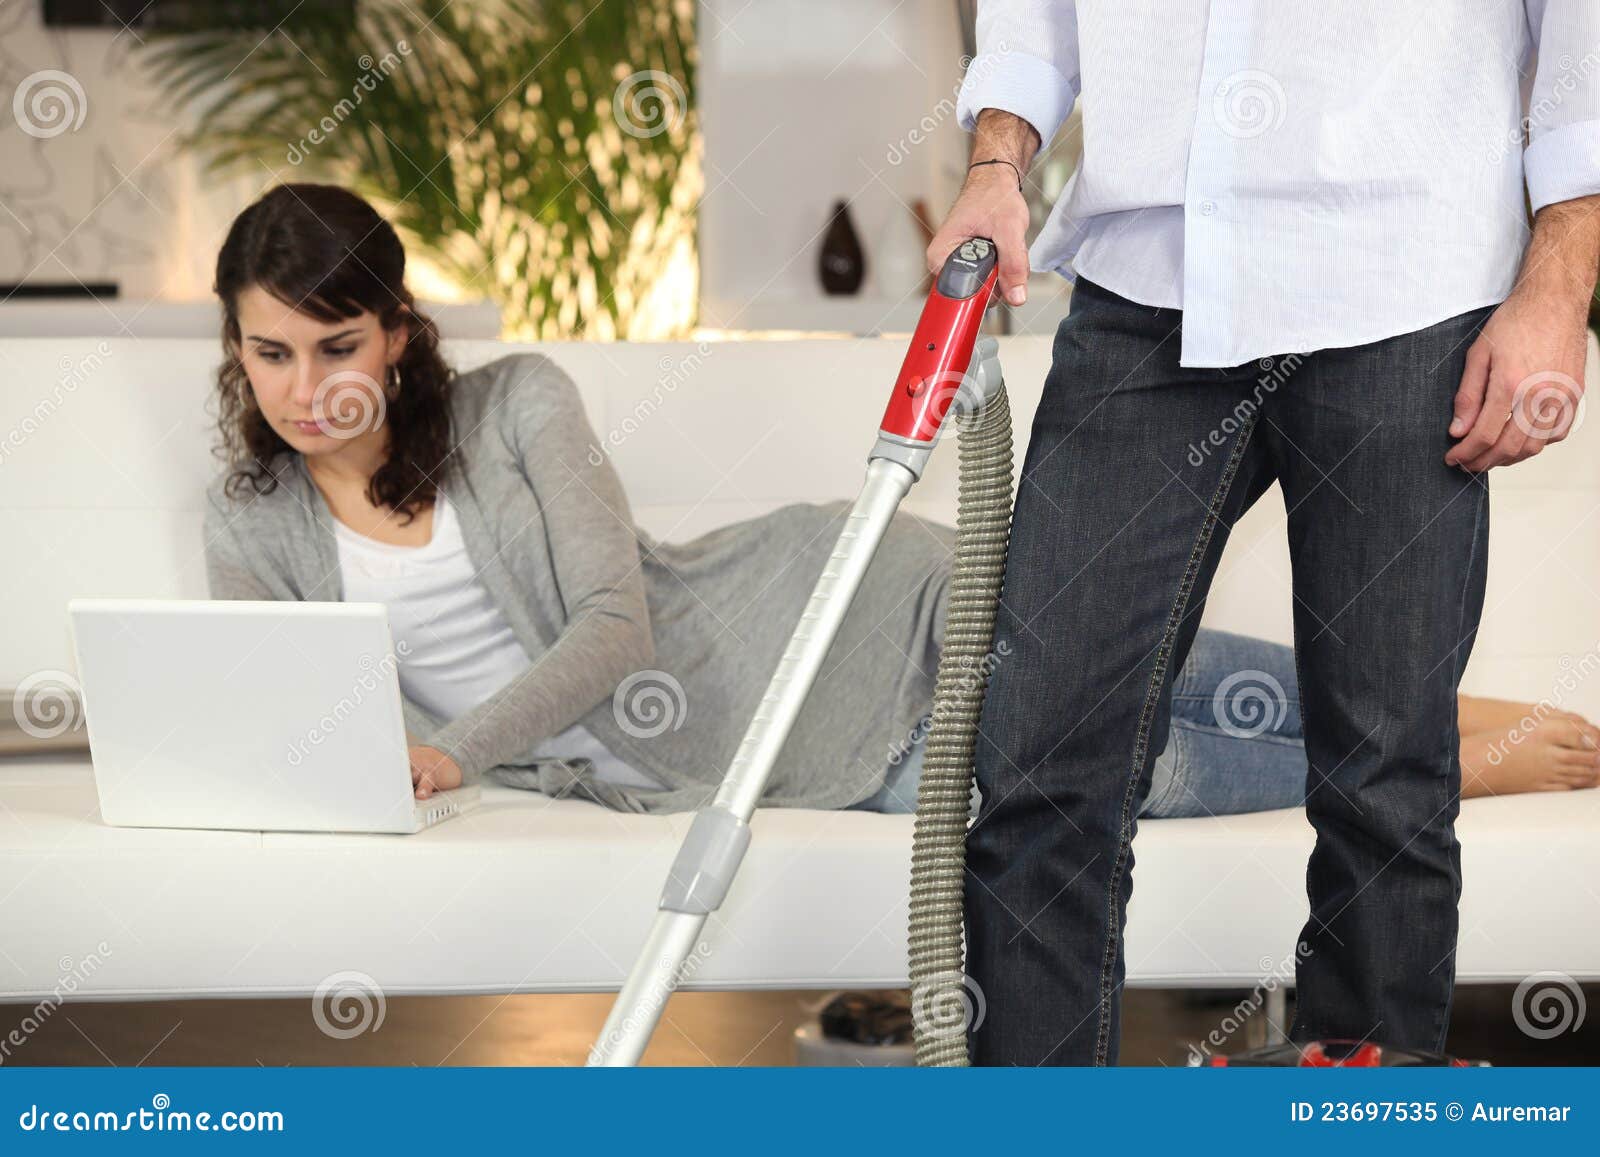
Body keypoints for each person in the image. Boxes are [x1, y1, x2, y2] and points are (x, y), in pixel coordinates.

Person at [926, 2, 1600, 1064]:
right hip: (1148, 279)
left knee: (1382, 781)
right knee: (1040, 760)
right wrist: (996, 163)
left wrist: (1558, 276)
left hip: (1403, 276)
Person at [201, 183, 951, 817]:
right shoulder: (247, 526)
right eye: (272, 353)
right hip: (677, 770)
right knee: (1021, 820)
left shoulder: (519, 403)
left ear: (396, 335)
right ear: (239, 345)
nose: (306, 390)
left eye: (338, 348)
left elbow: (618, 627)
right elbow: (294, 715)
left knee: (1045, 745)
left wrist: (455, 751)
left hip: (801, 619)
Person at [861, 628, 1600, 816]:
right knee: (1082, 750)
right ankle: (1441, 767)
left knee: (1136, 659)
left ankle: (1434, 716)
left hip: (887, 603)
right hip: (841, 737)